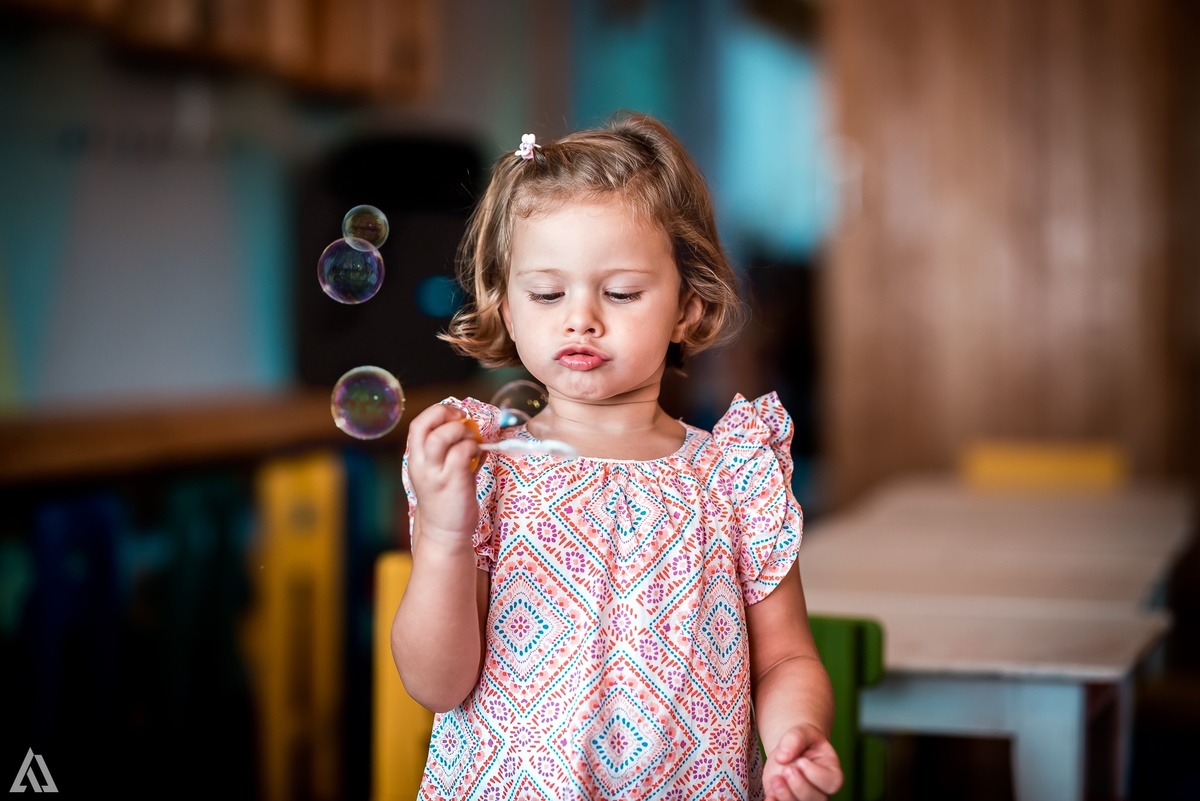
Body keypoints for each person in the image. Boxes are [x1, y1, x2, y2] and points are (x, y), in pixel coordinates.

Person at [392, 112, 842, 801]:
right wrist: (448, 535)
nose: (581, 318)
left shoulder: (732, 476)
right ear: (509, 309)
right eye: (547, 293)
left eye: (622, 293)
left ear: (688, 307)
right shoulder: (484, 470)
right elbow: (435, 683)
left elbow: (784, 656)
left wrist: (795, 733)